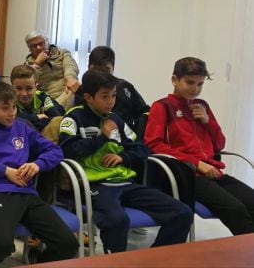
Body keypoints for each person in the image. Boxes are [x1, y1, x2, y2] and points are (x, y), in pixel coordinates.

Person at [58, 69, 193, 253]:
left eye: (113, 96)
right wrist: (101, 138)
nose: (111, 101)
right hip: (93, 184)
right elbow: (67, 151)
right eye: (105, 96)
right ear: (88, 97)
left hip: (124, 181)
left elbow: (141, 147)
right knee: (117, 220)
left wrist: (123, 157)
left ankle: (156, 260)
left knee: (182, 213)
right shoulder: (73, 117)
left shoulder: (116, 119)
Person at [0, 81, 78, 266]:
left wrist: (37, 165)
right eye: (5, 108)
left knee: (68, 244)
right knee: (1, 243)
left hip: (28, 193)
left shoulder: (22, 126)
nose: (12, 112)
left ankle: (38, 261)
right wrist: (5, 171)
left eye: (14, 107)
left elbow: (55, 152)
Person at [144, 57, 254, 235]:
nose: (195, 89)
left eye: (200, 84)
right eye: (190, 83)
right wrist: (196, 163)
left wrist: (208, 122)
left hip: (213, 172)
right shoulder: (162, 107)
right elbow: (154, 145)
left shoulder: (202, 106)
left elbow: (219, 144)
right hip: (187, 175)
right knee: (236, 209)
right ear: (174, 80)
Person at [87, 46, 149, 136]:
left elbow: (144, 111)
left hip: (129, 139)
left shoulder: (125, 87)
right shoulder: (83, 91)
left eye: (106, 69)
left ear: (113, 68)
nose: (101, 74)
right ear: (89, 68)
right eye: (97, 68)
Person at [24, 31, 80, 108]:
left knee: (76, 87)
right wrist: (37, 64)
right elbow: (27, 83)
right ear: (29, 49)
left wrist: (69, 78)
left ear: (48, 42)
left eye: (41, 43)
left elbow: (70, 66)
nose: (38, 48)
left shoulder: (62, 53)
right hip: (49, 100)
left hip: (68, 90)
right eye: (34, 46)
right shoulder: (28, 66)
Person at [10, 64, 65, 132]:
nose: (24, 93)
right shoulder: (9, 100)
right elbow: (11, 118)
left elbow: (56, 118)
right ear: (12, 87)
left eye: (29, 88)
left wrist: (30, 120)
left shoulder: (43, 97)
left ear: (36, 87)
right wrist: (36, 117)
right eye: (19, 88)